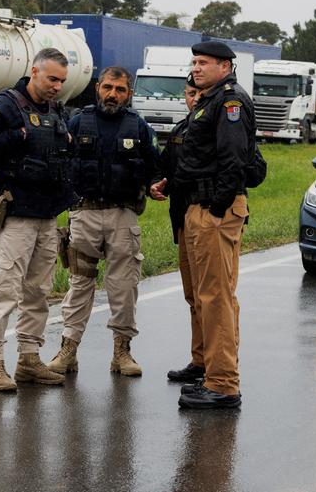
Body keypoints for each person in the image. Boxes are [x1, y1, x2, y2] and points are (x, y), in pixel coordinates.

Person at [45, 66, 158, 376]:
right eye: (108, 87)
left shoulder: (139, 127)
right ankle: (68, 350)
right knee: (80, 284)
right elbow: (59, 160)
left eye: (120, 89)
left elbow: (154, 168)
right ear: (98, 87)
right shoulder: (79, 121)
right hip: (84, 215)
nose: (113, 94)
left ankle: (122, 352)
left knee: (124, 287)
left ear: (129, 93)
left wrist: (155, 185)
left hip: (123, 216)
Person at [0, 48, 75, 391]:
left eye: (61, 80)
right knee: (3, 288)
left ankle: (29, 359)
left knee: (38, 291)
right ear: (34, 72)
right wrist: (18, 136)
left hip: (48, 214)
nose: (56, 86)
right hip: (16, 212)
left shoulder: (56, 110)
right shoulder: (6, 104)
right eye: (51, 79)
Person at [172, 41, 255, 410]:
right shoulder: (209, 100)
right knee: (203, 294)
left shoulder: (230, 102)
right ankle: (208, 368)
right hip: (197, 204)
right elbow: (199, 156)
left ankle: (223, 384)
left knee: (217, 297)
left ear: (225, 66)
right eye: (194, 62)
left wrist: (219, 208)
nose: (196, 67)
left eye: (203, 62)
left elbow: (233, 158)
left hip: (214, 210)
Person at [149, 74, 205, 385]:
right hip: (183, 218)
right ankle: (199, 360)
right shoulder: (182, 128)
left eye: (199, 92)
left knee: (210, 296)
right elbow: (165, 165)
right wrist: (157, 183)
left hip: (209, 215)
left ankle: (216, 366)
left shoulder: (217, 124)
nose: (194, 98)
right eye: (189, 93)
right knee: (192, 295)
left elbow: (251, 167)